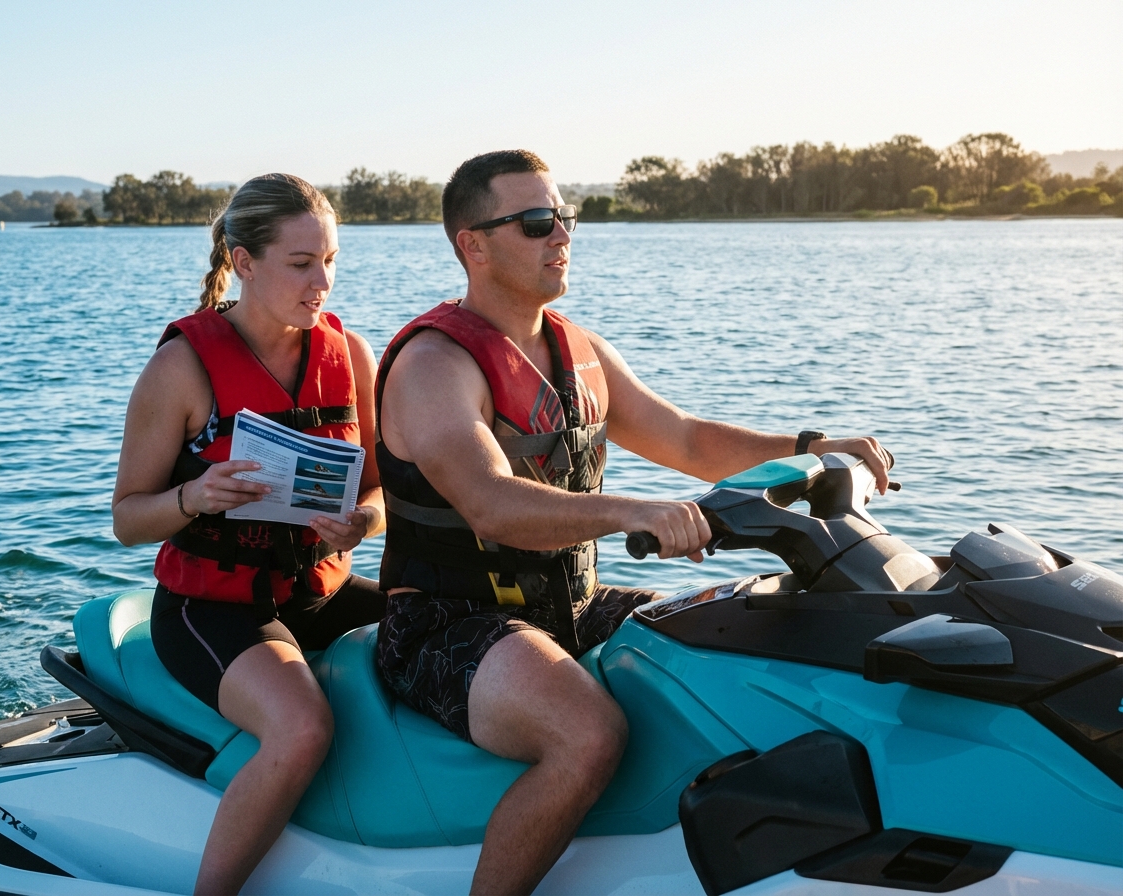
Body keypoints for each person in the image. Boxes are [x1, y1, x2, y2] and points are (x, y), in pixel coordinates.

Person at [375, 150, 891, 895]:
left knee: (746, 632)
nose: (561, 236)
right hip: (445, 623)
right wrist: (633, 511)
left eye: (565, 217)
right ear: (474, 246)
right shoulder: (434, 366)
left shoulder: (576, 350)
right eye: (535, 222)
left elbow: (685, 440)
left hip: (571, 606)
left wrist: (810, 446)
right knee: (587, 735)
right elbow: (491, 502)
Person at [111, 173, 385, 895]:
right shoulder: (180, 368)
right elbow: (128, 519)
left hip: (319, 590)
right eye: (301, 264)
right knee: (303, 729)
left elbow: (385, 490)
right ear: (243, 261)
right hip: (212, 609)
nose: (321, 281)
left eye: (329, 260)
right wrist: (195, 495)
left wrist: (361, 522)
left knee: (476, 631)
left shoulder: (351, 355)